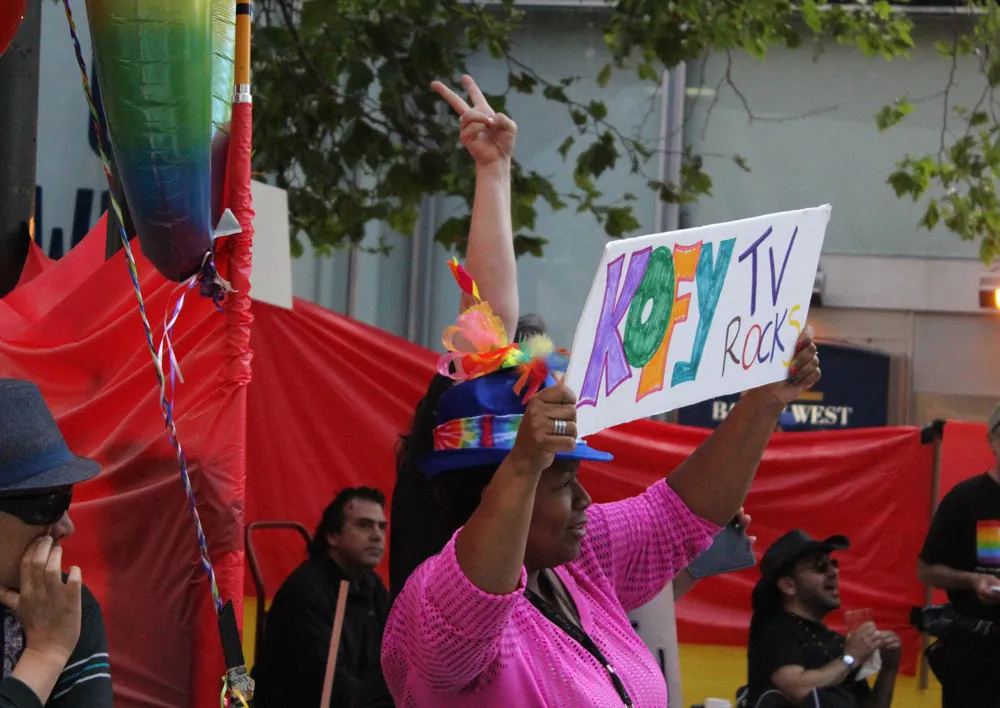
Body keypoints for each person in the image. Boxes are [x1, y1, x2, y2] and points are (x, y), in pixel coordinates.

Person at [380, 257, 822, 706]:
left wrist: (766, 399)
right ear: (493, 495)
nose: (585, 499)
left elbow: (679, 516)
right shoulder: (436, 606)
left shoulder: (579, 563)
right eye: (562, 484)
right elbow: (475, 599)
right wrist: (524, 463)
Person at [0, 379, 112, 708]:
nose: (66, 526)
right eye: (47, 504)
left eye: (66, 497)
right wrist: (44, 655)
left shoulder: (60, 609)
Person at [253, 487, 389, 708]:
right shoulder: (307, 591)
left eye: (381, 527)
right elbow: (329, 685)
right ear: (332, 536)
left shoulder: (371, 585)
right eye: (364, 525)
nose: (377, 535)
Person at [745, 530, 899, 708]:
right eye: (820, 566)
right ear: (788, 585)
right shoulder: (774, 628)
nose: (833, 572)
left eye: (833, 563)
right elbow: (797, 689)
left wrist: (889, 668)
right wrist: (851, 657)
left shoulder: (838, 642)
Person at [917, 404, 1000, 708]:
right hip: (977, 657)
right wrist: (972, 580)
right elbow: (926, 569)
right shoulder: (965, 498)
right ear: (992, 440)